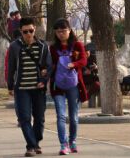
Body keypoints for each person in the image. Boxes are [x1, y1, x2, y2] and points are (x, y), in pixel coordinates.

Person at [7, 17, 52, 157]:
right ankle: (31, 146)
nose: (28, 34)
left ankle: (36, 142)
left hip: (38, 89)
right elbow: (11, 67)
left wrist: (44, 80)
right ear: (20, 31)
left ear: (35, 29)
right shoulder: (15, 46)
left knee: (39, 118)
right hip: (21, 89)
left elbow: (48, 66)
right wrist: (10, 85)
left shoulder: (43, 46)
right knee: (24, 118)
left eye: (31, 31)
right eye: (25, 31)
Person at [49, 19, 88, 155]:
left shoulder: (78, 45)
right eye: (58, 31)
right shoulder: (53, 48)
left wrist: (74, 64)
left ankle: (72, 141)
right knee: (60, 115)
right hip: (58, 85)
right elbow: (51, 64)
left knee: (73, 117)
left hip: (73, 84)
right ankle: (63, 144)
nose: (61, 34)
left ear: (69, 30)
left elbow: (83, 60)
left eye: (64, 31)